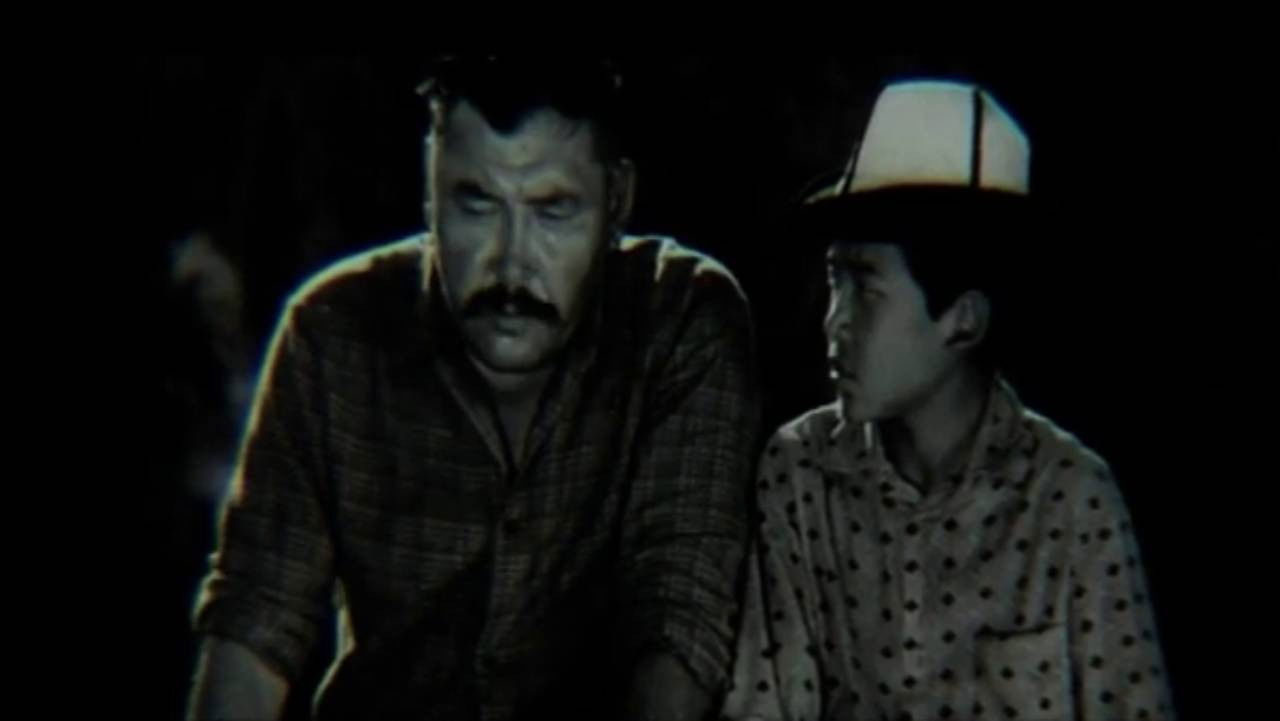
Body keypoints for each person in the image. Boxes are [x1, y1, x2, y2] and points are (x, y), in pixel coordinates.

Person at [187, 55, 760, 721]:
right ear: (431, 196)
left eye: (553, 212)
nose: (512, 264)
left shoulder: (681, 322)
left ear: (617, 204)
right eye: (477, 205)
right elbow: (255, 621)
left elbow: (679, 620)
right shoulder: (331, 332)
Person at [722, 80, 1174, 720]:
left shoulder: (1071, 498)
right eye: (833, 282)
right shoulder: (800, 475)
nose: (834, 321)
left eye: (866, 290)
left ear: (963, 319)